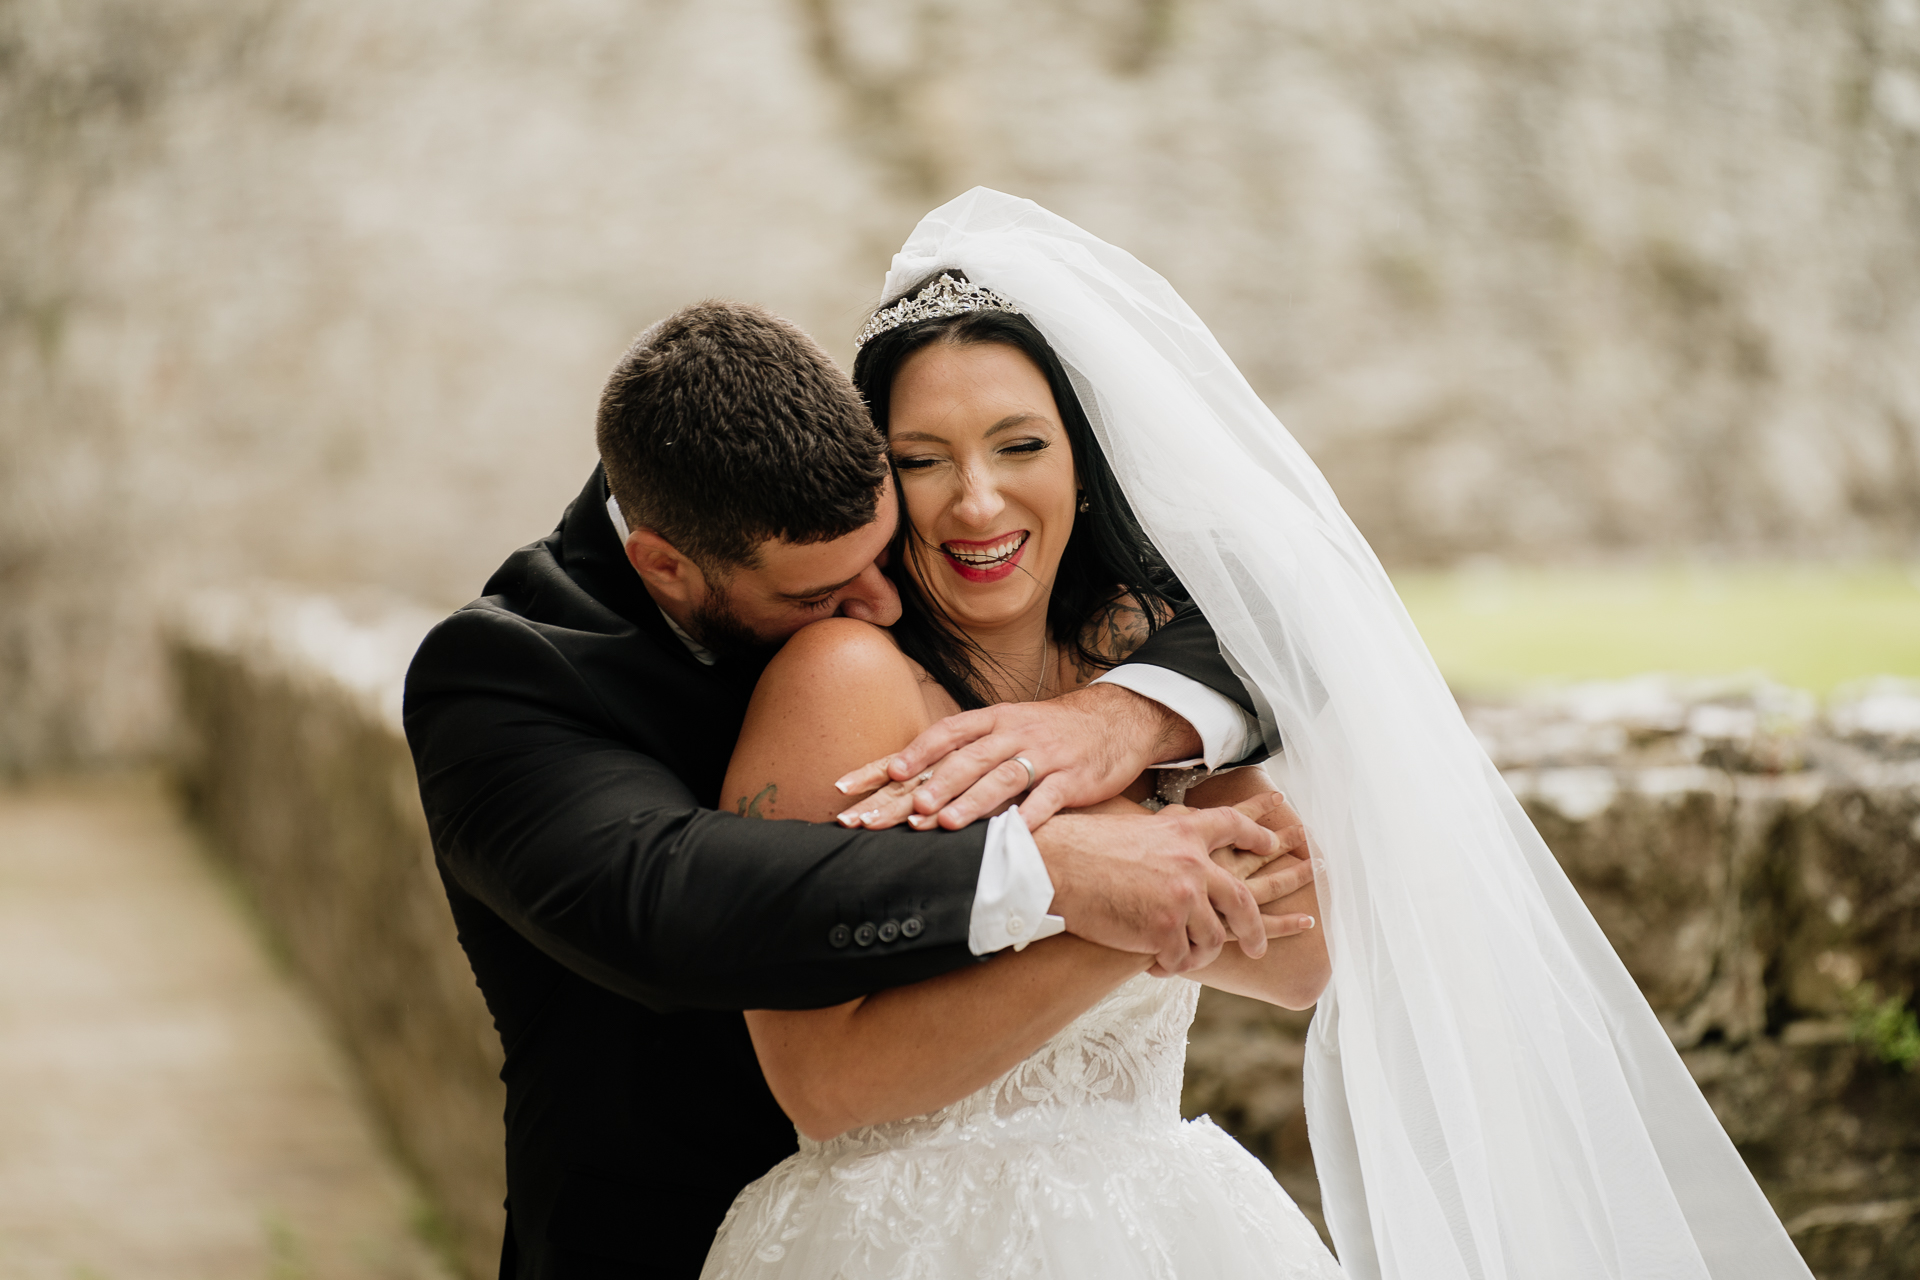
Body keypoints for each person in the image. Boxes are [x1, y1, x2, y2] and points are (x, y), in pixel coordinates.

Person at [702, 190, 1816, 1280]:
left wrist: (1143, 826)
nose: (978, 501)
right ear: (879, 484)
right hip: (905, 1241)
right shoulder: (844, 678)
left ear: (1082, 467)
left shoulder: (1147, 670)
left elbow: (1301, 955)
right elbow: (821, 1079)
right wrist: (1128, 901)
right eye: (923, 457)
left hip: (1163, 1221)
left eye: (1019, 443)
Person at [402, 299, 1295, 1278]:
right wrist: (1045, 869)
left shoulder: (844, 524)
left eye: (880, 550)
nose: (880, 604)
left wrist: (1126, 715)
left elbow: (1289, 604)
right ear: (665, 563)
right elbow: (660, 896)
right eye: (821, 596)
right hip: (671, 1232)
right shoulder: (503, 677)